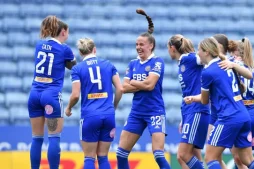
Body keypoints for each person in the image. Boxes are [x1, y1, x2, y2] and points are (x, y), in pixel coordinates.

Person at [184, 37, 254, 169]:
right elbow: (249, 74)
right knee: (248, 159)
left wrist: (194, 98)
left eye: (199, 50)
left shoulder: (207, 72)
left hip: (228, 117)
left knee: (210, 158)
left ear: (207, 52)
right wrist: (193, 98)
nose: (197, 53)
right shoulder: (227, 63)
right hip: (243, 115)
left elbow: (205, 100)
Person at [116, 9, 171, 169]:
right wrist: (140, 84)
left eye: (141, 44)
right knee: (121, 153)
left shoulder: (158, 62)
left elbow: (150, 85)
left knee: (159, 155)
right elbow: (124, 87)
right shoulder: (133, 63)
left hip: (155, 111)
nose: (138, 47)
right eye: (136, 45)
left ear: (151, 45)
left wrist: (134, 82)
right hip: (137, 112)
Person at [65, 38, 123, 169]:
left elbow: (75, 95)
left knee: (89, 158)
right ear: (94, 49)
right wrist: (114, 106)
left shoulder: (77, 69)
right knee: (103, 157)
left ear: (80, 52)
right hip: (108, 115)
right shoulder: (108, 65)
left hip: (90, 116)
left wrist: (68, 108)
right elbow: (120, 89)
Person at [28, 15, 76, 169]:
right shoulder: (64, 49)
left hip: (34, 94)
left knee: (36, 138)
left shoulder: (39, 45)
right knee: (54, 137)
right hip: (52, 95)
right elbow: (74, 67)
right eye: (67, 32)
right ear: (63, 32)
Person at [226, 38, 254, 169]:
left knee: (240, 159)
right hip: (251, 114)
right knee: (244, 158)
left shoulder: (231, 67)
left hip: (236, 112)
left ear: (235, 52)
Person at [168, 34, 209, 169]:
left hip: (196, 110)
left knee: (183, 155)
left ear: (172, 48)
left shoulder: (189, 58)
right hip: (189, 111)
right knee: (188, 155)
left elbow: (204, 59)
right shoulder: (182, 63)